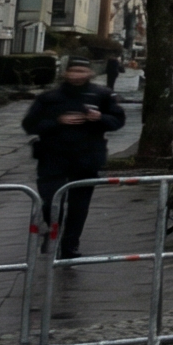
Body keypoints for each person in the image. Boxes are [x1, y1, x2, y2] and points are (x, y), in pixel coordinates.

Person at [26, 59, 124, 262]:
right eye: (74, 71)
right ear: (66, 73)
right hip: (52, 157)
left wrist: (100, 118)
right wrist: (57, 122)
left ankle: (70, 245)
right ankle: (53, 233)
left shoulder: (101, 95)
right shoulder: (49, 97)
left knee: (79, 205)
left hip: (87, 158)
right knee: (51, 201)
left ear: (89, 73)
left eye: (82, 71)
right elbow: (30, 124)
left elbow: (117, 121)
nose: (77, 75)